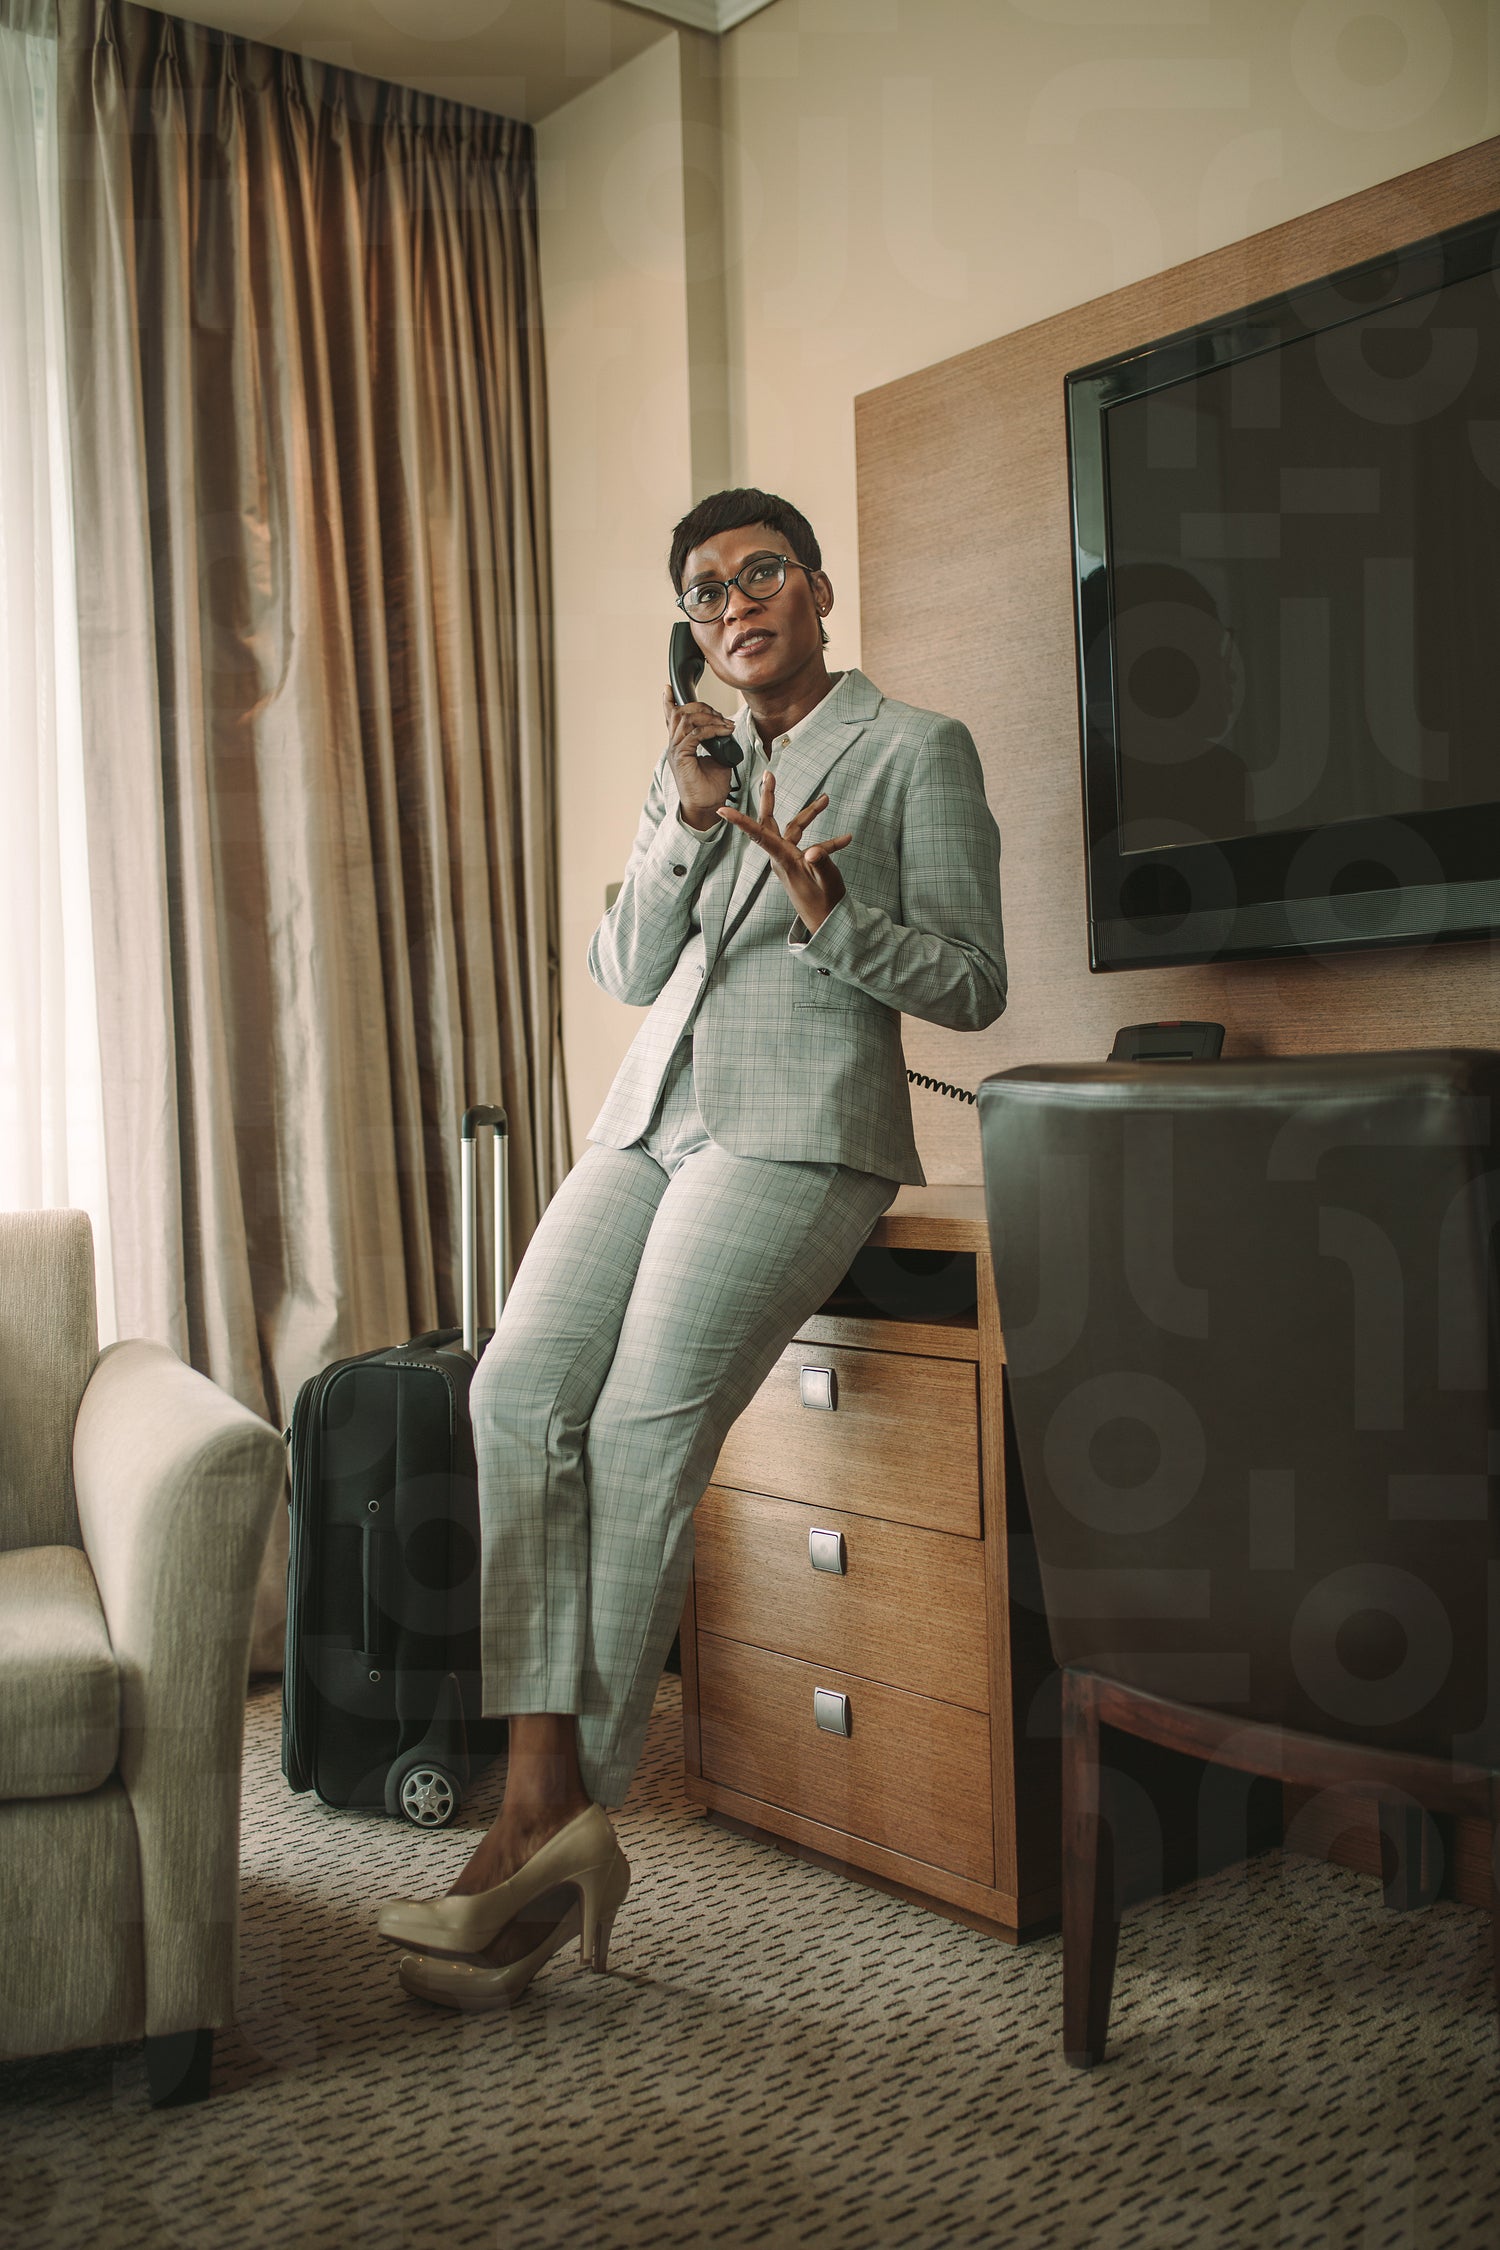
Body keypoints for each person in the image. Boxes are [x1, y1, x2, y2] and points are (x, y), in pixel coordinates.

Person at [378, 488, 1006, 2009]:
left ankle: (546, 1816)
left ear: (818, 590)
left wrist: (833, 913)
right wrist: (680, 811)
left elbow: (977, 982)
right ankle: (550, 1805)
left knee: (640, 1431)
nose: (736, 604)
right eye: (707, 591)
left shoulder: (915, 749)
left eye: (761, 572)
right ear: (694, 631)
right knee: (516, 1392)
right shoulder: (695, 765)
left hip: (798, 1131)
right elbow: (624, 965)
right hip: (647, 1119)